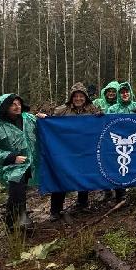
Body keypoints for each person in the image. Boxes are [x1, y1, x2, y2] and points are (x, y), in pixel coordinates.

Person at [0, 94, 44, 232]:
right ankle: (17, 222)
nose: (17, 106)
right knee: (17, 190)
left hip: (29, 162)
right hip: (8, 165)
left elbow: (43, 127)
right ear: (4, 107)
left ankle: (16, 219)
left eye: (18, 103)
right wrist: (11, 157)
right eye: (12, 104)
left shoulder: (28, 119)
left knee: (19, 192)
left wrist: (45, 119)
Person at [49, 82, 101, 220]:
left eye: (81, 96)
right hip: (65, 151)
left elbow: (102, 122)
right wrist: (44, 119)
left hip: (84, 150)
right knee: (61, 177)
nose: (78, 99)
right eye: (75, 96)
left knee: (83, 174)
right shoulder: (62, 110)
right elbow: (50, 122)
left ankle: (82, 203)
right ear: (71, 97)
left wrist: (101, 116)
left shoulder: (92, 109)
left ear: (85, 97)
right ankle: (55, 210)